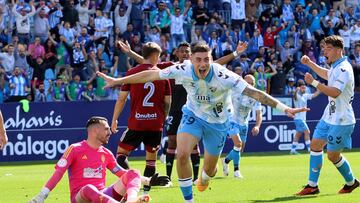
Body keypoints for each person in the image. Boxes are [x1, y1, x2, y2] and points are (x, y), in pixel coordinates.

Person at [97, 42, 308, 203]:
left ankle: (205, 178)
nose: (202, 64)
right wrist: (118, 81)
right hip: (193, 115)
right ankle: (189, 200)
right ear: (193, 60)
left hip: (218, 123)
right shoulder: (184, 69)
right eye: (198, 59)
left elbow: (255, 93)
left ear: (211, 59)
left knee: (209, 172)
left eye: (206, 59)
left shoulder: (223, 75)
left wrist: (285, 108)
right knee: (181, 153)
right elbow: (151, 73)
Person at [117, 40, 250, 183]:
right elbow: (149, 64)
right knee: (173, 142)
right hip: (175, 110)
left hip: (194, 110)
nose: (185, 53)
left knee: (194, 146)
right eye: (183, 51)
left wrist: (236, 53)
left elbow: (217, 62)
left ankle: (195, 177)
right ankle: (168, 177)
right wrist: (130, 53)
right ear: (178, 53)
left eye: (188, 51)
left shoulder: (200, 66)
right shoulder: (173, 67)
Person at [29, 116, 170, 203]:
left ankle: (132, 200)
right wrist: (42, 196)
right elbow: (58, 173)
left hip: (103, 196)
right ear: (95, 131)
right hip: (81, 198)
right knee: (89, 188)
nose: (110, 132)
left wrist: (148, 180)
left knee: (132, 172)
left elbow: (122, 173)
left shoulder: (106, 153)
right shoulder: (75, 149)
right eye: (107, 129)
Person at [296, 35, 359, 196]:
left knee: (333, 155)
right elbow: (327, 74)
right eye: (324, 48)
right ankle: (312, 185)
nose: (324, 51)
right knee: (315, 145)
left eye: (328, 48)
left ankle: (351, 182)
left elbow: (336, 92)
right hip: (328, 116)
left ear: (339, 50)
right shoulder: (336, 67)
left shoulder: (344, 69)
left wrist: (314, 83)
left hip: (342, 120)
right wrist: (310, 64)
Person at [111, 42, 172, 194]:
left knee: (121, 155)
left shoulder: (132, 73)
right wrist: (163, 118)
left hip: (137, 123)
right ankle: (145, 193)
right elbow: (167, 102)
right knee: (151, 160)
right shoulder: (162, 75)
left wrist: (114, 119)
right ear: (156, 56)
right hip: (155, 124)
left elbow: (121, 99)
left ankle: (132, 181)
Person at [222, 74, 262, 178]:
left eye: (252, 83)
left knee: (240, 149)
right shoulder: (234, 91)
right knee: (238, 144)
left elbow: (259, 114)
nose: (249, 85)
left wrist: (257, 126)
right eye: (247, 82)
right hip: (232, 121)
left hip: (244, 123)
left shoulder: (256, 96)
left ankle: (226, 161)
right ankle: (236, 171)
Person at [290, 80, 320, 155]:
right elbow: (294, 95)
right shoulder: (297, 95)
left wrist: (320, 90)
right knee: (307, 132)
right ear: (299, 88)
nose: (304, 89)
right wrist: (296, 90)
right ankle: (310, 149)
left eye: (304, 88)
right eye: (302, 88)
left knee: (298, 134)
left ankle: (292, 150)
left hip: (302, 119)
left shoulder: (305, 95)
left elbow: (313, 95)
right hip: (298, 118)